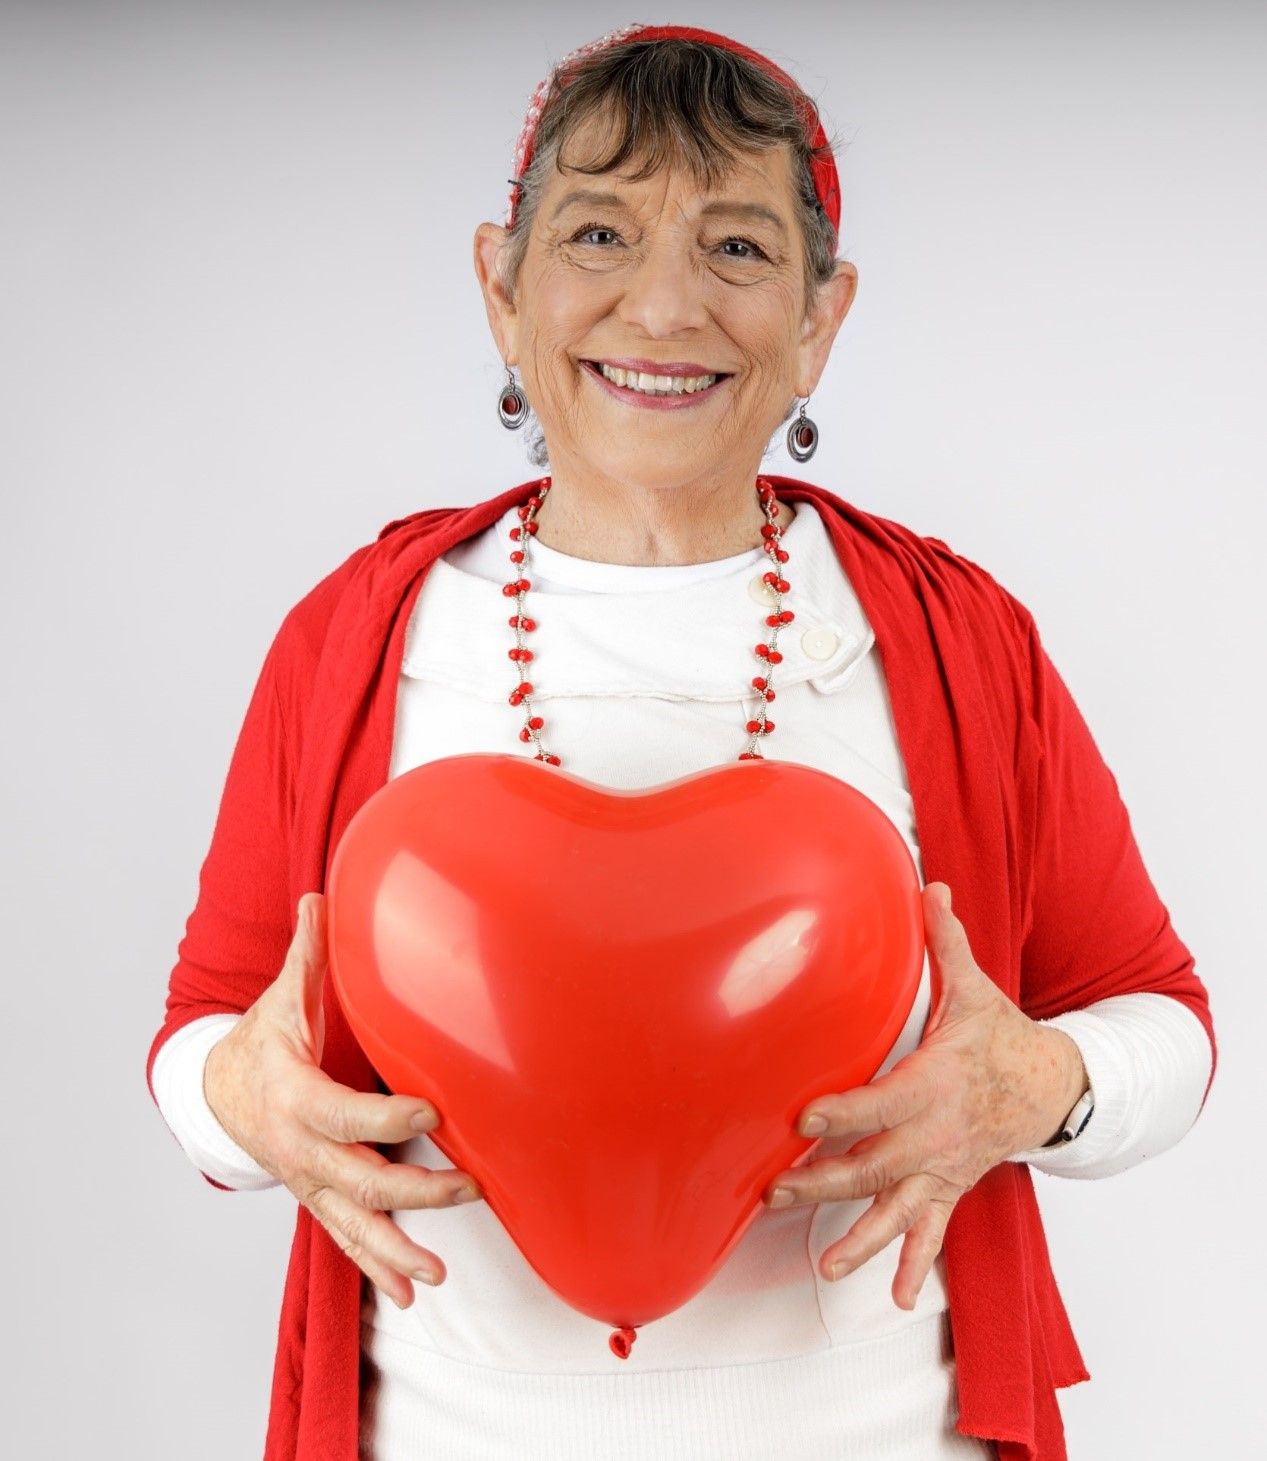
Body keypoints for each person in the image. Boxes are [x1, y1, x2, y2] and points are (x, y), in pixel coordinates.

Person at [145, 23, 1216, 1461]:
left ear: (821, 319)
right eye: (599, 233)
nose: (662, 306)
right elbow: (207, 1029)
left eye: (738, 249)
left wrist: (1037, 1089)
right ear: (501, 287)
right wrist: (241, 1100)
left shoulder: (956, 636)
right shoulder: (356, 634)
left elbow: (1161, 1020)